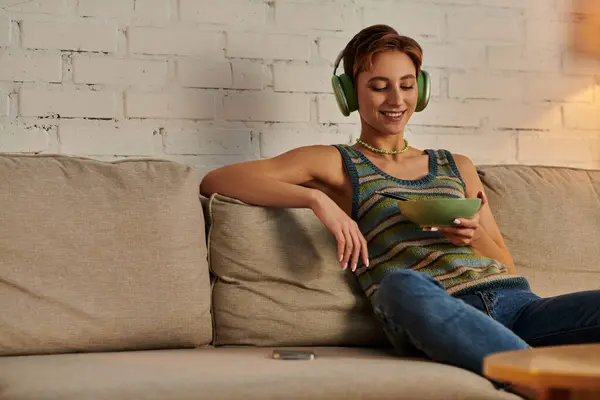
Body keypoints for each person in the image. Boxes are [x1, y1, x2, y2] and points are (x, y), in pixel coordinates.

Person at [200, 24, 600, 397]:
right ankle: (533, 378)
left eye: (407, 86)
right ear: (349, 94)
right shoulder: (337, 163)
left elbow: (505, 265)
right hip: (429, 307)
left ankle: (516, 359)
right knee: (399, 285)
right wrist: (317, 200)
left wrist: (471, 233)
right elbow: (218, 180)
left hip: (517, 307)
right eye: (378, 87)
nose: (396, 100)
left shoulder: (456, 165)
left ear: (421, 91)